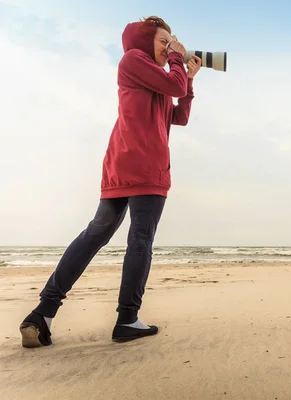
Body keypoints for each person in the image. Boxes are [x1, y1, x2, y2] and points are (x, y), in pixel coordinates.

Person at [19, 16, 202, 347]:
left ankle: (41, 315)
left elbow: (179, 116)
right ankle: (127, 319)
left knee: (96, 233)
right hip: (144, 168)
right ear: (145, 42)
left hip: (122, 166)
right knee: (140, 239)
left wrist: (188, 79)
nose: (170, 46)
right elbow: (173, 86)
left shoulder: (154, 80)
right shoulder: (134, 59)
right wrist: (178, 59)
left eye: (171, 41)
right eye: (164, 41)